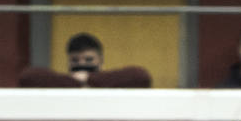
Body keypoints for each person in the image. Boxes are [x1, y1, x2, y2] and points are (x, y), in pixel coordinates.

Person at [18, 32, 151, 88]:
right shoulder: (61, 84)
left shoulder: (112, 82)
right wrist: (73, 81)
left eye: (88, 59)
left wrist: (89, 78)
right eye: (75, 60)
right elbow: (27, 77)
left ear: (100, 60)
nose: (82, 64)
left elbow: (141, 76)